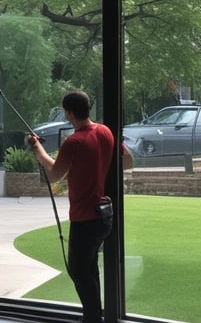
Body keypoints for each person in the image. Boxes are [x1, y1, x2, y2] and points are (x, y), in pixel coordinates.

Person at [27, 90, 133, 323]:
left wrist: (37, 148)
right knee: (89, 269)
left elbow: (54, 174)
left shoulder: (74, 141)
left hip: (84, 218)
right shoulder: (105, 131)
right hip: (104, 216)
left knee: (79, 271)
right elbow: (127, 160)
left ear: (69, 113)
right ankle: (94, 316)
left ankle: (92, 318)